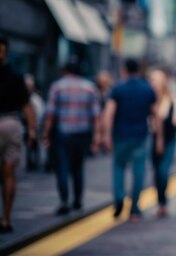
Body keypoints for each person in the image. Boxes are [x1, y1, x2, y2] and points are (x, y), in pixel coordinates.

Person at [102, 59, 163, 222]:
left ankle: (119, 198)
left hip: (120, 136)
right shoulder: (147, 89)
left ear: (124, 69)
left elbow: (108, 114)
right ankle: (134, 209)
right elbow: (156, 115)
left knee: (118, 168)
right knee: (139, 173)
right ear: (139, 69)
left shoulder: (117, 89)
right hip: (141, 137)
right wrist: (160, 139)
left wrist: (106, 135)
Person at [42, 60, 101, 215]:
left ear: (65, 71)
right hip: (82, 134)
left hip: (62, 134)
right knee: (78, 167)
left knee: (62, 167)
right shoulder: (90, 87)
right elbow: (96, 116)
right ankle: (77, 200)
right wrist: (96, 138)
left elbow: (50, 114)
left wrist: (46, 134)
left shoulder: (57, 87)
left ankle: (64, 201)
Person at [0, 36, 36, 233]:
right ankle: (5, 219)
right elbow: (26, 104)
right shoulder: (16, 74)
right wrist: (31, 130)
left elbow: (27, 105)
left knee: (8, 172)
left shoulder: (15, 74)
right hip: (12, 123)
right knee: (9, 172)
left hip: (10, 122)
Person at [148, 68, 176, 218]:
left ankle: (163, 202)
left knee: (163, 171)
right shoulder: (148, 99)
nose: (153, 83)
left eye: (156, 79)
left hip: (169, 139)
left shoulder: (173, 99)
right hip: (152, 140)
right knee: (156, 172)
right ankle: (161, 202)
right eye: (151, 79)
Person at [24, 74, 45, 171]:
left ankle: (34, 162)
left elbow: (39, 112)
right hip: (28, 124)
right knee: (30, 144)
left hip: (35, 124)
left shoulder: (36, 98)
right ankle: (31, 162)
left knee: (34, 144)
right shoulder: (28, 97)